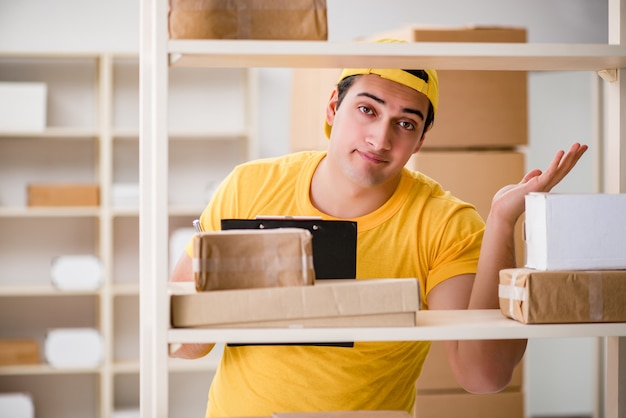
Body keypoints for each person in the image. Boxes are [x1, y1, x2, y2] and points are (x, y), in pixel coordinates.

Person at [169, 61, 588, 417]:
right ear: (333, 107)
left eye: (405, 123)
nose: (380, 139)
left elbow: (483, 376)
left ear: (421, 139)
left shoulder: (445, 222)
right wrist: (238, 295)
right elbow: (183, 346)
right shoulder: (249, 187)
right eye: (367, 110)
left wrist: (502, 221)